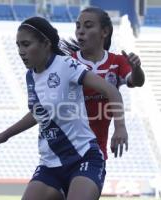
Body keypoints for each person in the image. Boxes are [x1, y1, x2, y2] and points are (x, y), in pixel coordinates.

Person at [0, 16, 128, 200]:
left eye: (26, 44)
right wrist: (5, 135)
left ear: (45, 43)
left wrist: (120, 127)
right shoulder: (31, 77)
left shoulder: (66, 65)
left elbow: (111, 91)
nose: (21, 51)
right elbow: (39, 113)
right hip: (50, 165)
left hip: (83, 157)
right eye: (18, 45)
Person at [61, 6, 145, 159]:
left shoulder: (117, 61)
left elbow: (136, 81)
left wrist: (137, 68)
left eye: (88, 26)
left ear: (104, 32)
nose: (80, 31)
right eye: (78, 26)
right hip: (66, 148)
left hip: (96, 150)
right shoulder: (68, 63)